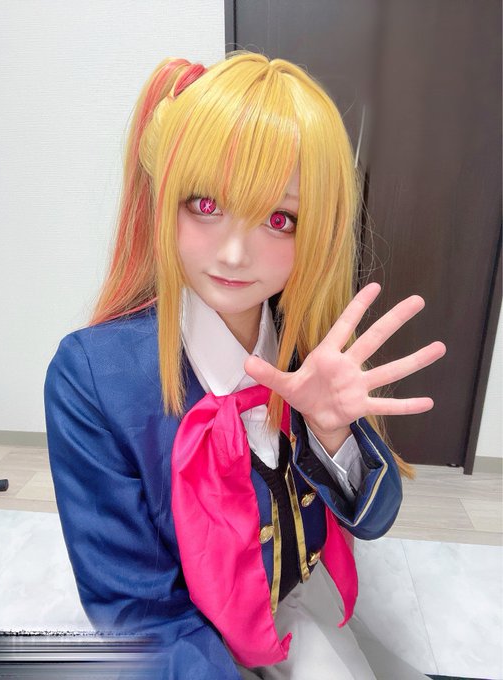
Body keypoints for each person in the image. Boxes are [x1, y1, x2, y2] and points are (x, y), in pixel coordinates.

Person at [44, 51, 446, 679]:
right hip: (186, 637)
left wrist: (333, 435)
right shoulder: (94, 378)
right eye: (206, 205)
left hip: (301, 604)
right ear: (164, 198)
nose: (235, 253)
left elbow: (374, 517)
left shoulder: (308, 342)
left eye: (279, 219)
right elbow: (137, 610)